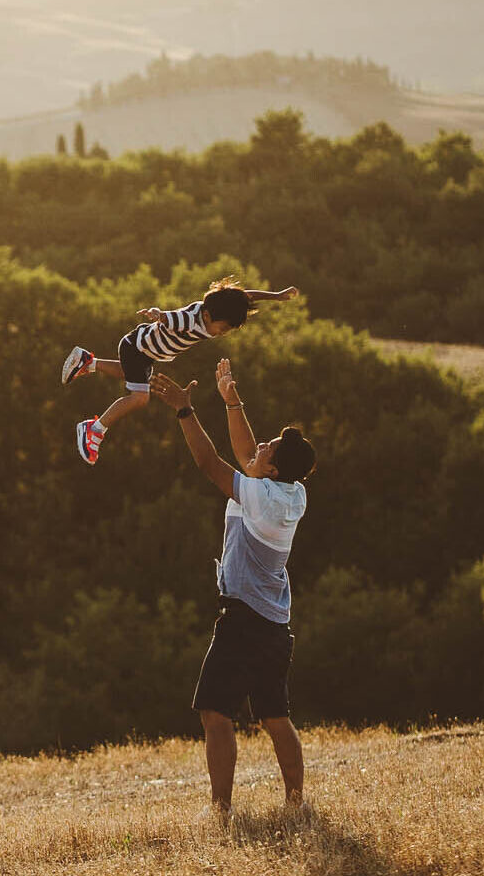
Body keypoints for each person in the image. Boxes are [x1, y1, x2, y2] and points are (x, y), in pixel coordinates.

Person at [149, 359, 316, 825]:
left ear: (274, 467)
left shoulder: (260, 497)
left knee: (214, 711)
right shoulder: (292, 495)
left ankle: (221, 812)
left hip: (242, 618)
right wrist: (231, 401)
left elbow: (211, 463)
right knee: (274, 715)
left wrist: (186, 410)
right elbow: (248, 457)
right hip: (275, 624)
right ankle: (296, 804)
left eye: (271, 447)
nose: (262, 445)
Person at [60, 277, 298, 464]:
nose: (222, 333)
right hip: (137, 349)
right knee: (140, 398)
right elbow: (169, 317)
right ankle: (94, 429)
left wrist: (275, 296)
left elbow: (244, 296)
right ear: (207, 316)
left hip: (144, 352)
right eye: (223, 329)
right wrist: (158, 314)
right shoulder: (189, 319)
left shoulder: (213, 311)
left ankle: (87, 362)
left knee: (129, 374)